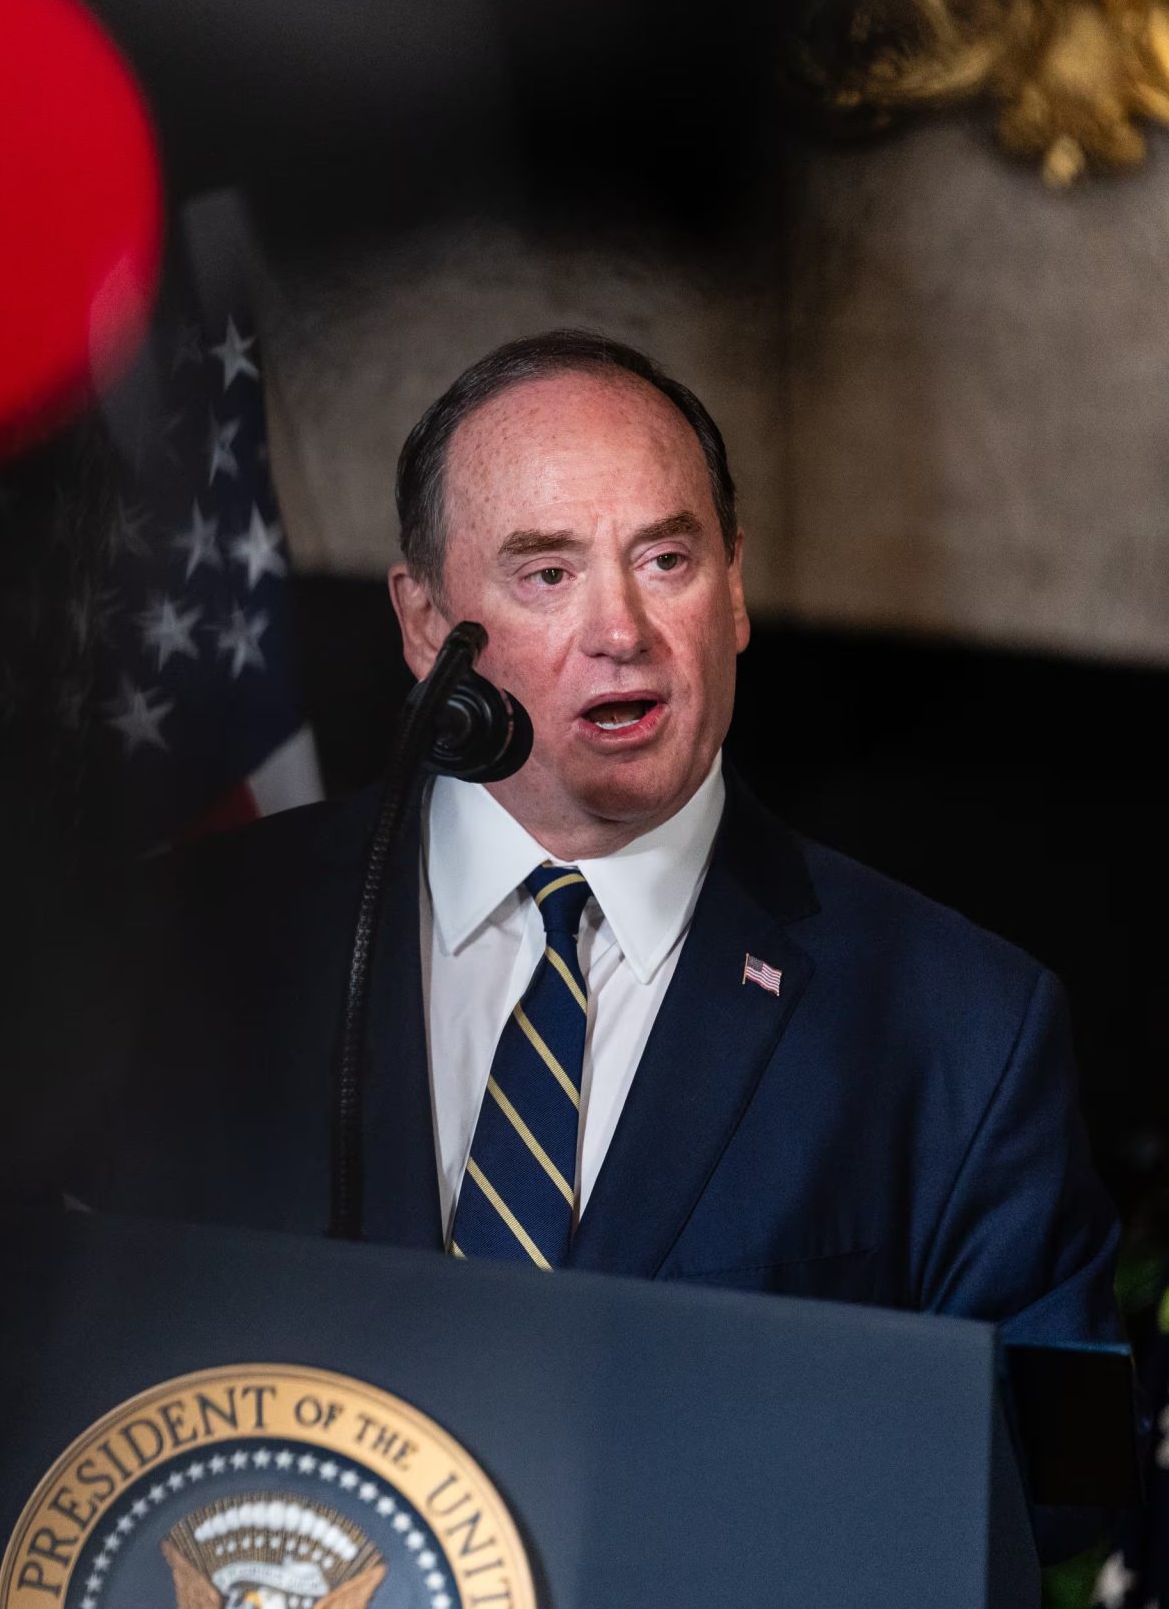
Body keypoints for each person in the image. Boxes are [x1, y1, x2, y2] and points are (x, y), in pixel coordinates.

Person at [85, 328, 1117, 1349]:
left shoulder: (961, 1029)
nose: (621, 632)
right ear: (424, 624)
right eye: (547, 574)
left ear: (734, 589)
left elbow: (1024, 1452)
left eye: (666, 560)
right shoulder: (188, 947)